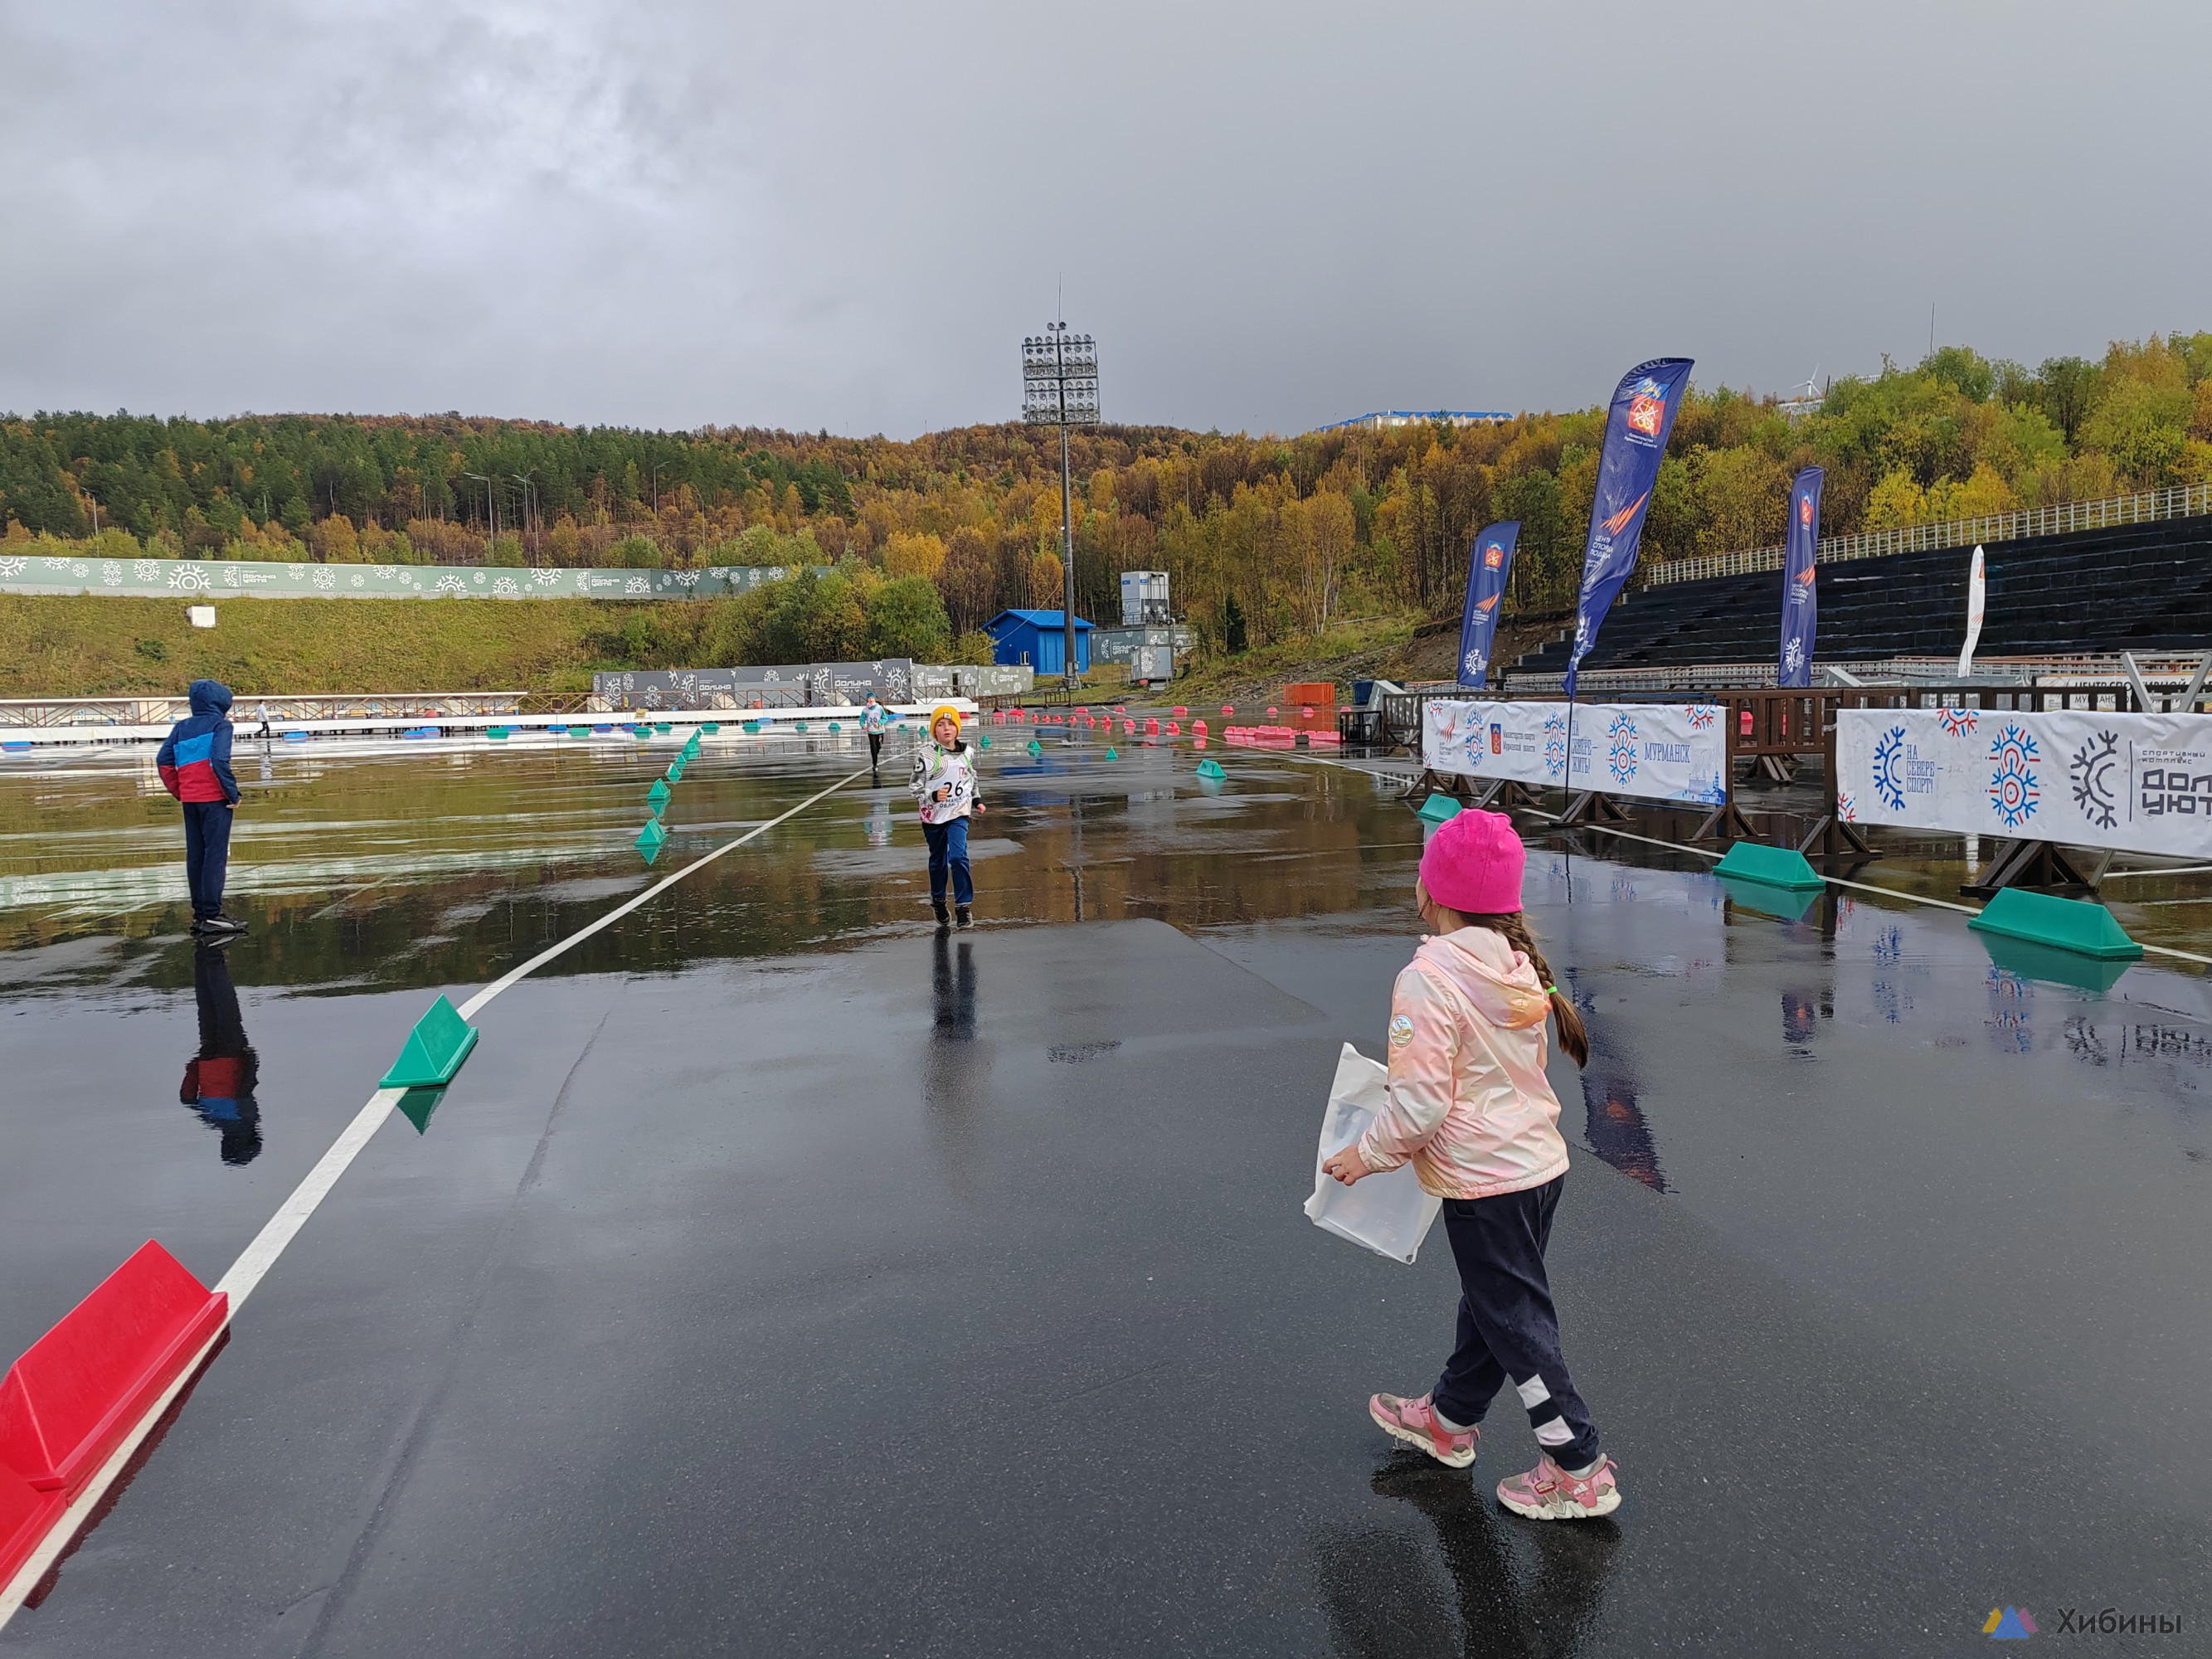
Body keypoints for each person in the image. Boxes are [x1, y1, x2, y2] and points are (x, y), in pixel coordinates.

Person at [1323, 807, 1618, 1521]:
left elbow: (1422, 1101)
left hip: (1486, 1181)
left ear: (1430, 893)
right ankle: (1449, 1420)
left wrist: (1366, 1154)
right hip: (1534, 1167)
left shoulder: (1427, 978)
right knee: (1496, 1304)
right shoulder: (1514, 966)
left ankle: (1577, 1465)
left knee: (1515, 1319)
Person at [156, 679, 245, 935]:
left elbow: (163, 761)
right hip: (215, 800)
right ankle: (213, 914)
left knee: (196, 856)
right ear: (222, 703)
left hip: (191, 800)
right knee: (215, 857)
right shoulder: (221, 725)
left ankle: (200, 914)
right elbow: (219, 760)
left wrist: (179, 791)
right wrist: (232, 794)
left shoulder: (181, 727)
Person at [180, 937, 262, 1165]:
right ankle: (202, 952)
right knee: (207, 1006)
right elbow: (187, 1098)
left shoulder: (245, 1119)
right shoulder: (210, 1119)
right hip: (208, 1058)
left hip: (232, 1055)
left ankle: (214, 951)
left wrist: (251, 1060)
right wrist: (196, 1066)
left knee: (225, 1004)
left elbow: (244, 1090)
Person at [909, 703, 984, 928]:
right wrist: (932, 795)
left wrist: (977, 800)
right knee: (938, 860)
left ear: (957, 728)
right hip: (933, 816)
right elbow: (914, 787)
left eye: (951, 724)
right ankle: (939, 900)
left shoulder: (967, 752)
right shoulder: (926, 756)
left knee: (958, 856)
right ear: (934, 730)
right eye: (940, 725)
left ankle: (963, 907)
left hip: (958, 813)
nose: (946, 729)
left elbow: (972, 778)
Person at [862, 693, 892, 773]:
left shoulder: (879, 708)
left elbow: (885, 718)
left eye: (872, 698)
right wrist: (863, 725)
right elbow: (861, 719)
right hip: (871, 731)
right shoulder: (865, 709)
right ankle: (874, 764)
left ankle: (875, 753)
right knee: (873, 747)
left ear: (874, 699)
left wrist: (879, 723)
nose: (871, 699)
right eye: (869, 698)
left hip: (880, 731)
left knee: (878, 746)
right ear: (867, 700)